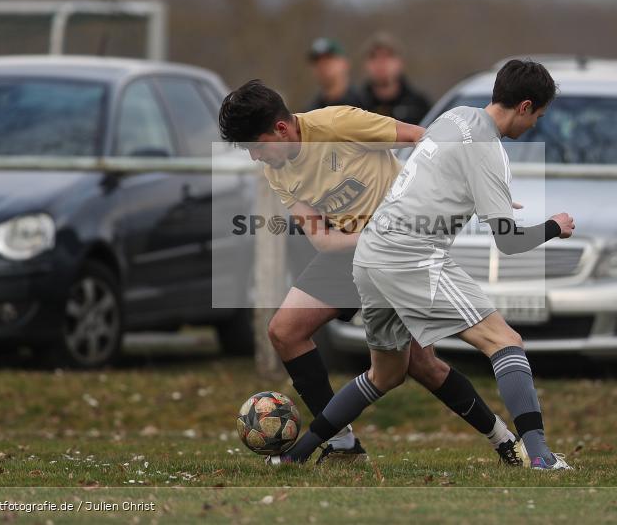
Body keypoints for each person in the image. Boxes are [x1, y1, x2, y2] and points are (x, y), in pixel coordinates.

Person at [271, 59, 575, 470]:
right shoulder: (490, 152)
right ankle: (539, 456)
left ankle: (297, 453)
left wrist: (492, 198)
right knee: (505, 341)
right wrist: (555, 226)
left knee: (385, 375)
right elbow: (509, 242)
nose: (535, 123)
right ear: (524, 106)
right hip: (410, 255)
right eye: (537, 115)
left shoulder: (454, 117)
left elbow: (441, 174)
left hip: (369, 255)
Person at [218, 80, 527, 466]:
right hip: (352, 249)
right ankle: (342, 444)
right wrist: (374, 236)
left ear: (281, 129)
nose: (254, 157)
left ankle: (505, 441)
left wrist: (482, 186)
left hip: (402, 251)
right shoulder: (276, 170)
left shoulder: (338, 123)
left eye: (256, 146)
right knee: (284, 331)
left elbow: (425, 140)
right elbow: (323, 240)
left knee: (422, 366)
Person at [360, 32, 431, 124]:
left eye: (388, 56)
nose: (380, 62)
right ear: (365, 64)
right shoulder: (355, 106)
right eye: (373, 56)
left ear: (401, 62)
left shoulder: (419, 106)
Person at [306, 37, 363, 111]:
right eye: (317, 61)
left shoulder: (366, 104)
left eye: (329, 59)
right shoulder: (311, 112)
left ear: (345, 63)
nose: (322, 65)